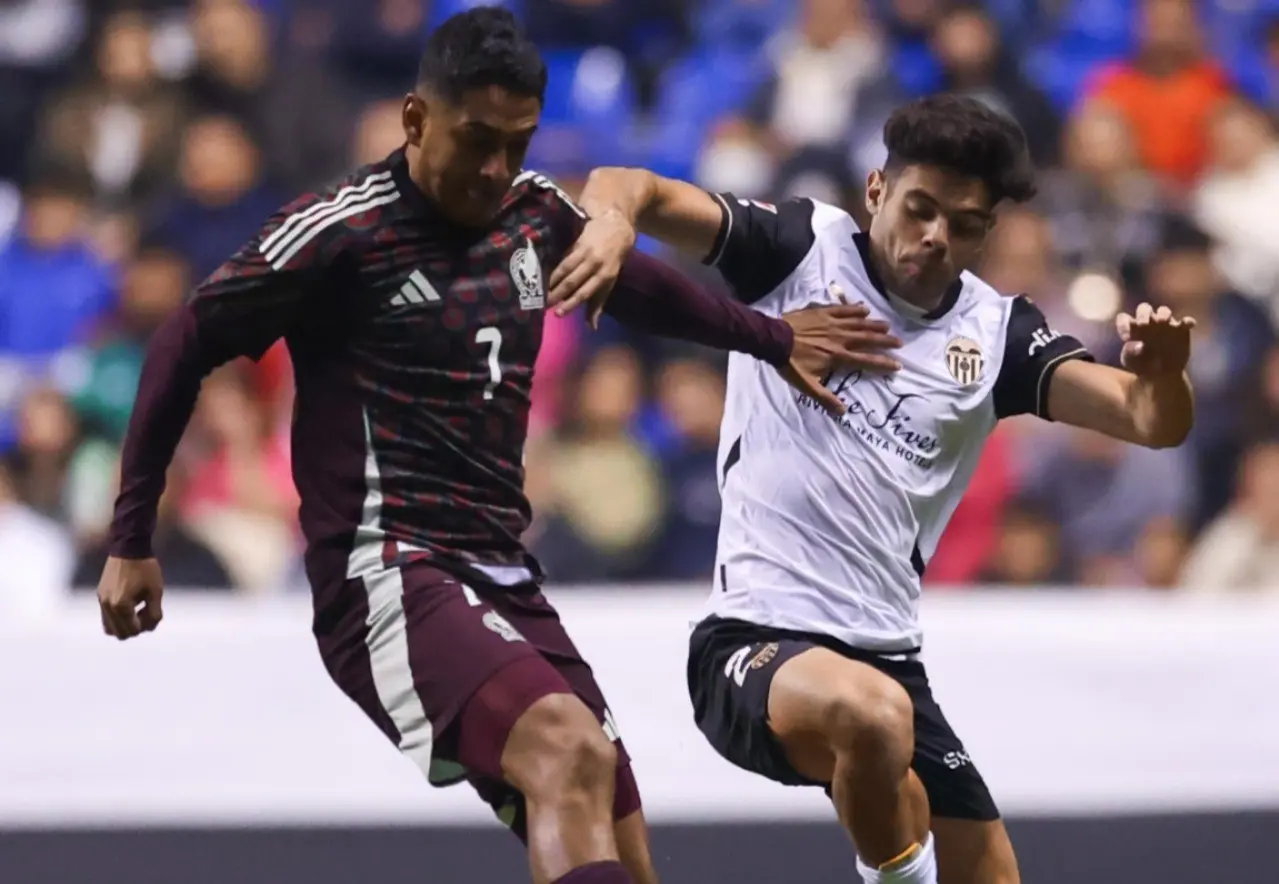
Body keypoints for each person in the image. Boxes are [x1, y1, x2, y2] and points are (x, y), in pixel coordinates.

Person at [93, 9, 900, 884]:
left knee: (622, 835)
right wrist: (133, 536)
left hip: (500, 569)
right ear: (414, 119)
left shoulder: (532, 213)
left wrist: (772, 339)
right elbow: (183, 340)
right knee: (565, 751)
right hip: (386, 570)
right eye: (476, 139)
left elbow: (635, 285)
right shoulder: (340, 233)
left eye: (515, 144)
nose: (493, 169)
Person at [549, 94, 1196, 884]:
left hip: (891, 660)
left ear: (986, 232)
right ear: (877, 191)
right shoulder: (797, 249)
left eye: (962, 224)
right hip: (751, 645)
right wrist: (614, 220)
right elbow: (627, 183)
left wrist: (1161, 375)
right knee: (870, 717)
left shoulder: (996, 338)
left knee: (985, 863)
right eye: (919, 209)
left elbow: (1147, 420)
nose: (933, 238)